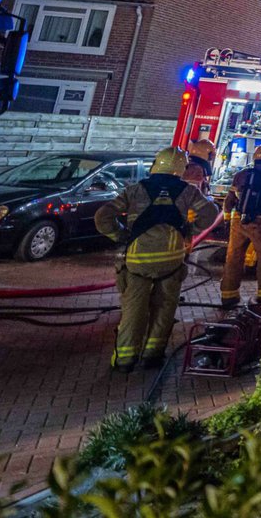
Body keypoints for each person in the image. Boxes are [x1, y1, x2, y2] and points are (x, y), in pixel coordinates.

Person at [95, 147, 219, 371]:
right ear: (181, 168)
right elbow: (210, 213)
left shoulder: (135, 190)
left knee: (134, 309)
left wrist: (122, 235)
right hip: (171, 261)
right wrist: (189, 229)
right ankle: (153, 355)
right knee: (165, 307)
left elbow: (102, 216)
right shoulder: (188, 191)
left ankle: (125, 360)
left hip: (138, 261)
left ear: (156, 164)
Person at [219, 143, 261, 309]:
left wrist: (227, 220)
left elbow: (229, 201)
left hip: (239, 220)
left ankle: (228, 295)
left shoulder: (242, 174)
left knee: (234, 257)